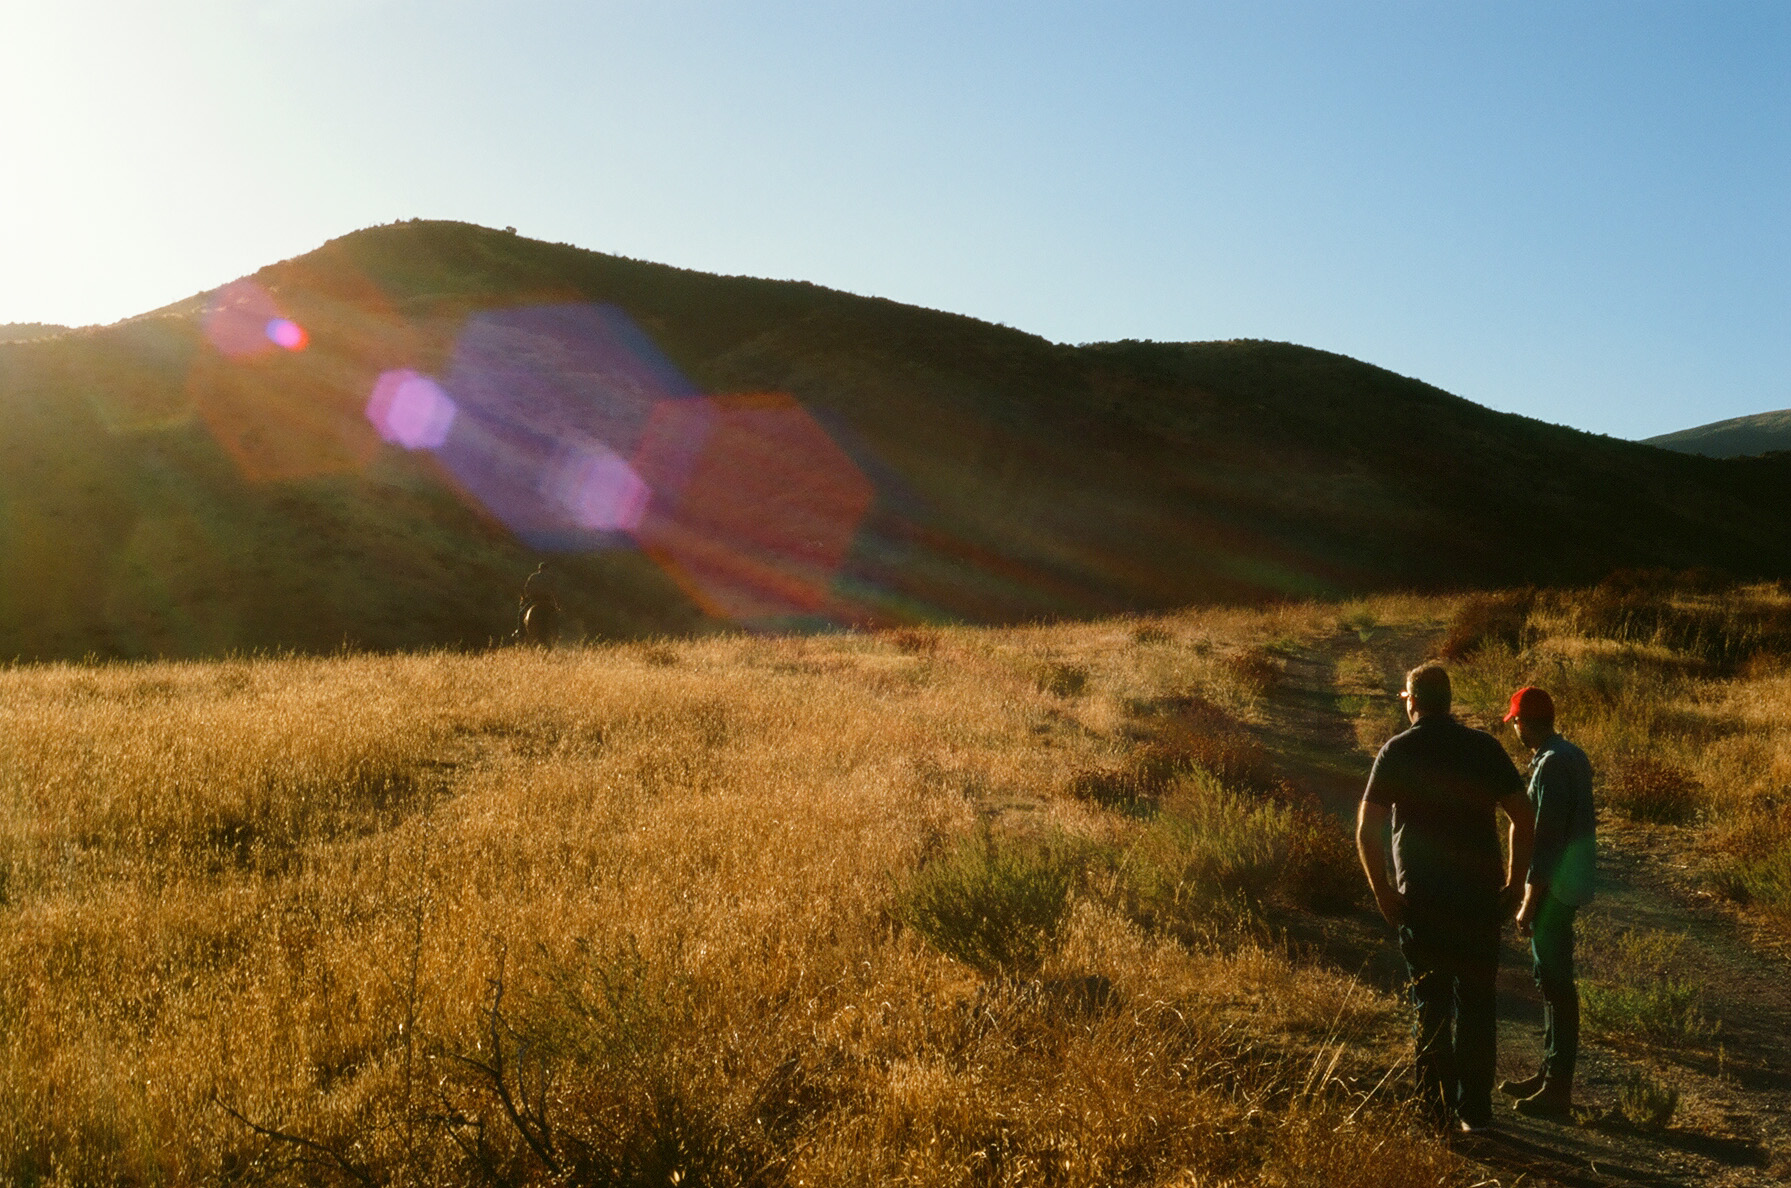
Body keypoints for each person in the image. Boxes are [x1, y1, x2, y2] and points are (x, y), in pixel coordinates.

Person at [1358, 662, 1535, 1134]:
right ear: (1449, 700)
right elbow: (1523, 816)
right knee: (1477, 1006)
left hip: (1423, 900)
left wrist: (1382, 891)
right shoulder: (1484, 748)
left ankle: (1433, 1113)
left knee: (1431, 1006)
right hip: (1479, 899)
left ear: (1413, 702)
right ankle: (1474, 1113)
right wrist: (1515, 885)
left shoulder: (1397, 751)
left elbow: (1367, 829)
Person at [1500, 685, 1596, 1119]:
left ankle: (1557, 1090)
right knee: (1553, 985)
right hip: (1569, 884)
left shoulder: (1553, 764)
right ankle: (1549, 1073)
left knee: (1556, 986)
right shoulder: (1570, 754)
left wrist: (1527, 899)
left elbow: (1547, 841)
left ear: (1523, 722)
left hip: (1554, 889)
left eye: (1514, 722)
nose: (1514, 729)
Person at [516, 562, 559, 637]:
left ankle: (520, 632)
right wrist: (556, 604)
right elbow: (554, 591)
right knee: (557, 616)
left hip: (534, 600)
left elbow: (526, 588)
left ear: (539, 569)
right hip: (547, 601)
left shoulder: (533, 576)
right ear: (547, 569)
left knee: (521, 613)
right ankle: (557, 633)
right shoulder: (551, 578)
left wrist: (527, 596)